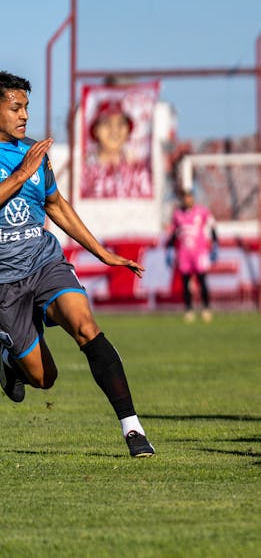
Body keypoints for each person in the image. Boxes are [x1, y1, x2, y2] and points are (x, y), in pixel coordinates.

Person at [0, 71, 154, 457]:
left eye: (27, 108)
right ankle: (6, 359)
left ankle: (133, 430)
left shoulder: (34, 153)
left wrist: (100, 252)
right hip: (5, 283)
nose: (24, 116)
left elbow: (55, 206)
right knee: (43, 378)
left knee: (86, 327)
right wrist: (20, 175)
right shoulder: (25, 163)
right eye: (15, 107)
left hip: (44, 261)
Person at [81, 99, 152, 198]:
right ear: (95, 130)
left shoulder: (139, 172)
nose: (114, 130)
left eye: (121, 123)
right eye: (106, 123)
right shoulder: (82, 171)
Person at [166, 189, 217, 323]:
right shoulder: (177, 215)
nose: (187, 200)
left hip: (199, 252)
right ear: (182, 200)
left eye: (190, 198)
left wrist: (215, 244)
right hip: (184, 253)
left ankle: (206, 308)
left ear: (193, 199)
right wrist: (170, 249)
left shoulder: (202, 212)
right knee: (185, 282)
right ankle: (188, 310)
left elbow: (212, 226)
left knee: (202, 280)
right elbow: (173, 233)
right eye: (185, 198)